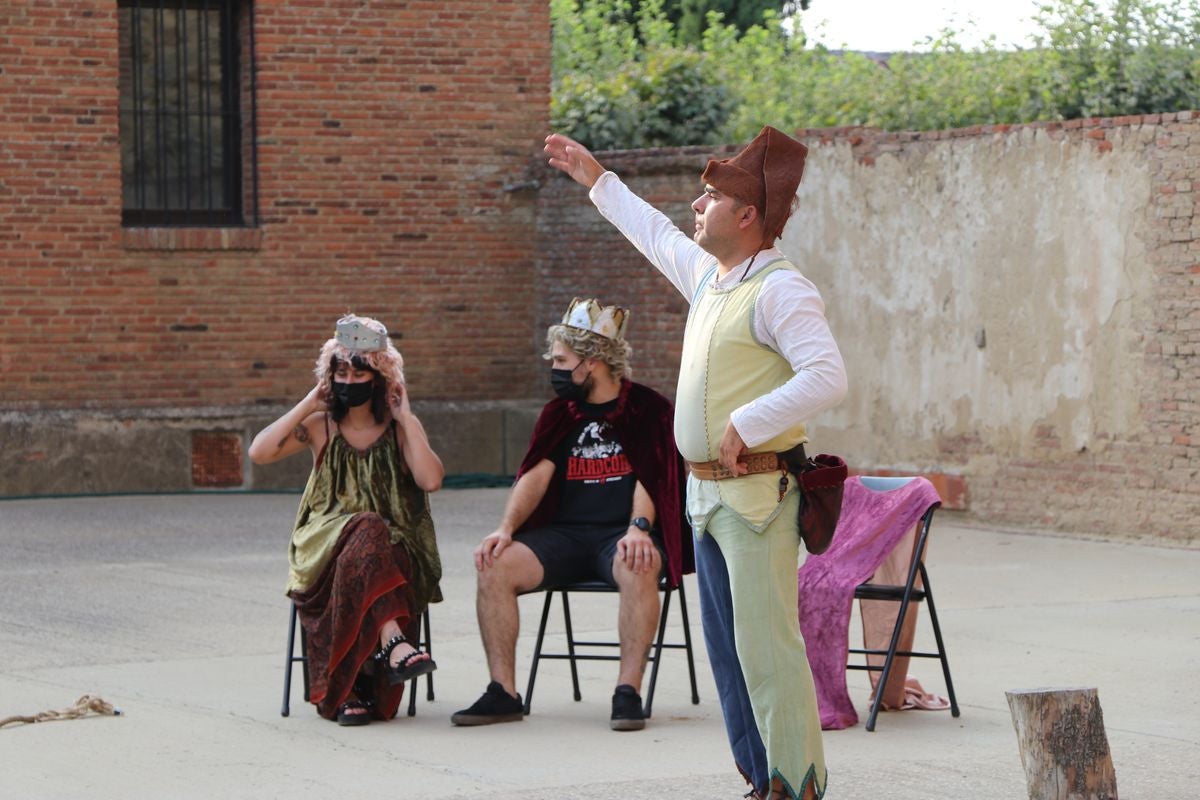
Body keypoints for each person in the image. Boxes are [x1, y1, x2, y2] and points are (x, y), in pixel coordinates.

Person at [545, 128, 847, 799]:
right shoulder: (711, 278)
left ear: (748, 216)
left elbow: (828, 375)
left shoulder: (780, 288)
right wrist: (597, 177)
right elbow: (651, 230)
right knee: (730, 655)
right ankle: (759, 776)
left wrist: (748, 421)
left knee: (767, 649)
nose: (696, 205)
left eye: (711, 197)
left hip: (759, 492)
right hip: (707, 498)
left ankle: (797, 785)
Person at [451, 298, 690, 732]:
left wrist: (639, 529)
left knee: (640, 562)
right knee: (494, 564)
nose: (555, 369)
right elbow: (535, 475)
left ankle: (627, 691)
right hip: (563, 536)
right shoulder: (559, 414)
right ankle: (503, 692)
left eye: (562, 360)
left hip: (619, 536)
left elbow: (654, 477)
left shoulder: (650, 410)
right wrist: (505, 529)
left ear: (592, 361)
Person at [248, 314, 445, 726]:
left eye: (360, 372)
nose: (350, 381)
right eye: (341, 371)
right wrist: (308, 402)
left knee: (374, 532)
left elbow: (430, 480)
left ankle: (350, 693)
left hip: (394, 555)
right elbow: (259, 453)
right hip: (325, 551)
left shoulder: (400, 429)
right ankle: (392, 642)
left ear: (380, 378)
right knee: (367, 525)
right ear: (329, 377)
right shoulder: (321, 427)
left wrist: (407, 418)